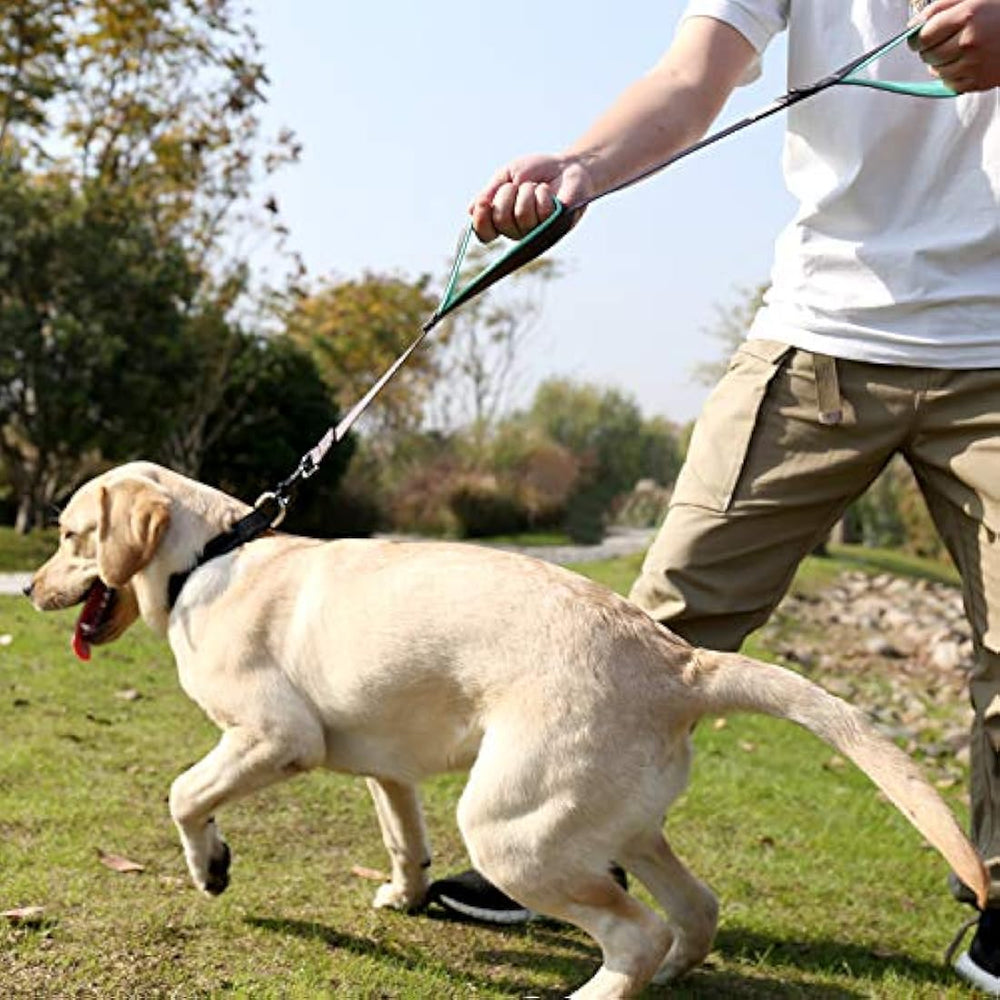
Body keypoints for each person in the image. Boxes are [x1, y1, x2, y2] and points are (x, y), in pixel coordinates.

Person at [423, 0, 1000, 991]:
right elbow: (692, 75)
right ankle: (567, 838)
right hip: (819, 333)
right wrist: (583, 166)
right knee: (647, 628)